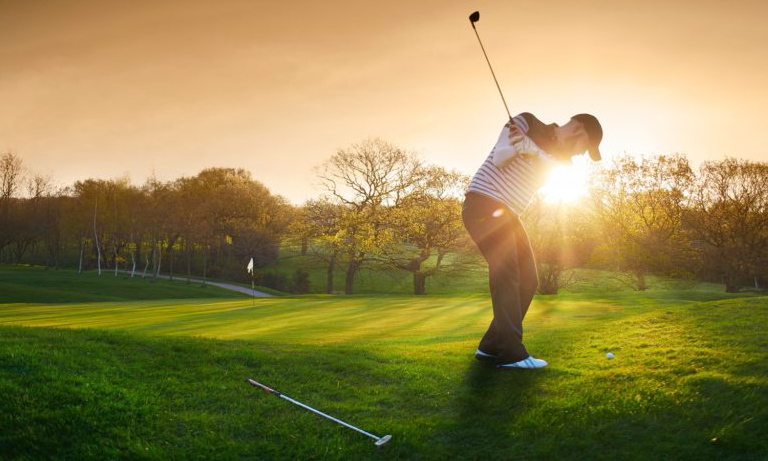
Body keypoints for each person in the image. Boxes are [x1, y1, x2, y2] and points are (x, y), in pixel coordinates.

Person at [463, 112, 603, 369]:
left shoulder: (564, 162)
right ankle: (512, 354)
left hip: (508, 215)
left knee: (529, 279)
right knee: (507, 274)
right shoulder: (526, 121)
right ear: (579, 130)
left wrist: (528, 148)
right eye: (586, 147)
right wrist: (522, 148)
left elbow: (554, 168)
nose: (583, 154)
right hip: (484, 203)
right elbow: (501, 157)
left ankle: (490, 347)